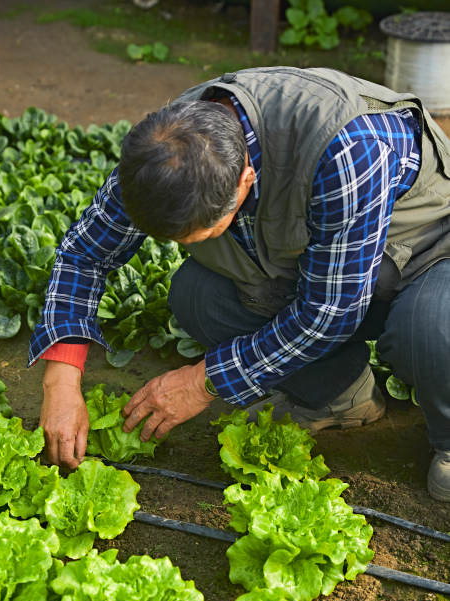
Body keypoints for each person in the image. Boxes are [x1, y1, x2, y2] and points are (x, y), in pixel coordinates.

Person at [28, 67, 450, 501]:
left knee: (433, 328)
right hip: (322, 264)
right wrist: (60, 382)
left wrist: (202, 381)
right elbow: (84, 254)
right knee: (200, 295)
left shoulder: (349, 148)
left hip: (425, 251)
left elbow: (331, 313)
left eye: (204, 233)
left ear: (244, 182)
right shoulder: (162, 152)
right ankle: (338, 396)